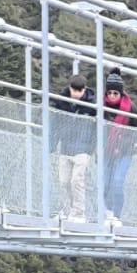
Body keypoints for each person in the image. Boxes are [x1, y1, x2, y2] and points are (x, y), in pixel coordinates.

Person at [49, 74, 96, 220]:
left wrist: (93, 148)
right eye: (73, 90)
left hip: (83, 148)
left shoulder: (92, 104)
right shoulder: (62, 101)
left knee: (77, 180)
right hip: (66, 146)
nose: (76, 94)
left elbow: (99, 127)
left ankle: (79, 212)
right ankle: (70, 210)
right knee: (64, 181)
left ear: (84, 89)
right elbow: (55, 122)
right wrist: (52, 144)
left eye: (79, 91)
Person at [101, 71, 137, 223]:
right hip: (107, 151)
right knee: (105, 182)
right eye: (110, 92)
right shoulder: (101, 106)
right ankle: (107, 212)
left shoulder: (129, 107)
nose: (112, 96)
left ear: (120, 92)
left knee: (118, 181)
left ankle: (117, 215)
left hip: (124, 152)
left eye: (115, 93)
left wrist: (125, 140)